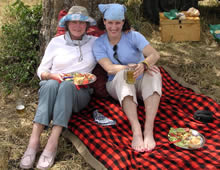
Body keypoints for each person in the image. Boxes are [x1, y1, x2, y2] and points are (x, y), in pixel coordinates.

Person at [20, 6, 97, 169]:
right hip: (52, 87)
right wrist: (51, 76)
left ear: (87, 25)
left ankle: (52, 143)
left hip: (78, 93)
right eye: (74, 22)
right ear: (67, 24)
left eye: (82, 23)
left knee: (67, 86)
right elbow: (41, 70)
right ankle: (33, 143)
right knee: (52, 84)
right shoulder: (56, 42)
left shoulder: (95, 42)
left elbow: (115, 43)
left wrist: (128, 32)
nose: (78, 26)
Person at [93, 3, 162, 152]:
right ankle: (136, 130)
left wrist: (144, 64)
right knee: (125, 74)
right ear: (104, 21)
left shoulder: (133, 36)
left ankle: (148, 130)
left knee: (155, 73)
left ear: (123, 22)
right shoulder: (98, 43)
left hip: (140, 79)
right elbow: (109, 69)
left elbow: (155, 54)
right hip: (116, 84)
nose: (113, 27)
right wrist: (131, 67)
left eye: (118, 23)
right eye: (110, 22)